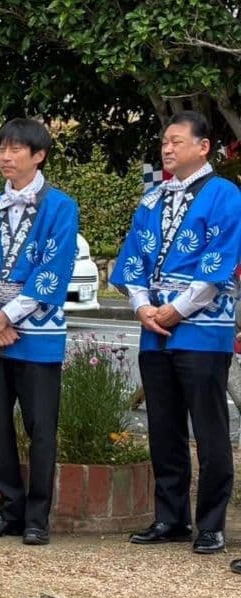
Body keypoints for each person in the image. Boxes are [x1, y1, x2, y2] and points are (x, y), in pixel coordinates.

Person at [112, 110, 241, 554]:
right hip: (155, 327)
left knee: (209, 429)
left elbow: (218, 263)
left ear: (203, 147)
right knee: (164, 427)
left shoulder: (225, 194)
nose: (167, 148)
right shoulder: (153, 198)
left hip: (202, 328)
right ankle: (171, 518)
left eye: (176, 141)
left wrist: (176, 309)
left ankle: (211, 524)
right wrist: (142, 305)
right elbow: (133, 259)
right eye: (164, 142)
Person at [0, 119, 79, 546]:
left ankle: (38, 516)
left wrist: (8, 316)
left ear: (39, 155)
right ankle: (9, 507)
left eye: (16, 149)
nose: (6, 156)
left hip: (36, 331)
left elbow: (54, 270)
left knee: (41, 425)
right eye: (2, 148)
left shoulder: (61, 206)